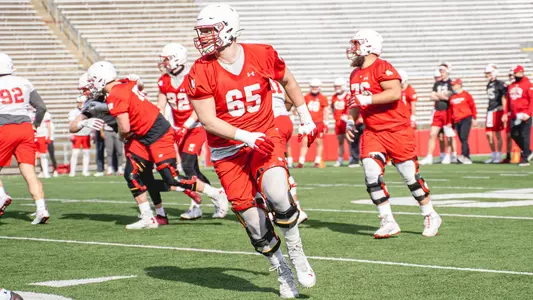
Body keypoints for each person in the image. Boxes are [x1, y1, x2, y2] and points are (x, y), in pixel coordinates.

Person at [185, 3, 316, 297]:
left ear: (228, 29)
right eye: (202, 32)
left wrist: (305, 118)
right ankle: (283, 271)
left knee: (279, 195)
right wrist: (244, 135)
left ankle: (297, 252)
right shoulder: (200, 70)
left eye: (209, 31)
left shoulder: (261, 54)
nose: (203, 37)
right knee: (256, 227)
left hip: (264, 137)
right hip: (228, 152)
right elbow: (208, 120)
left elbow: (288, 80)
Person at [345, 29, 442, 239]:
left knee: (410, 177)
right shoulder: (355, 73)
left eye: (356, 44)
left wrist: (367, 100)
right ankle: (387, 220)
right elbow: (354, 101)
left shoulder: (383, 67)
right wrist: (350, 120)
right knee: (371, 173)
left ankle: (430, 213)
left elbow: (394, 92)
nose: (352, 49)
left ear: (368, 46)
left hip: (396, 129)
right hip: (373, 131)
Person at [157, 43, 228, 220]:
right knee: (190, 168)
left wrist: (185, 126)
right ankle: (211, 198)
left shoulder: (192, 77)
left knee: (188, 165)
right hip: (178, 128)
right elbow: (161, 107)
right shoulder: (164, 80)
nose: (164, 63)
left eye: (166, 59)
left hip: (195, 126)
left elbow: (201, 108)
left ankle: (207, 200)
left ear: (176, 58)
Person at [0, 52, 50, 224]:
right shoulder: (24, 81)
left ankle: (1, 196)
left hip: (4, 127)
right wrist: (36, 125)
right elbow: (41, 107)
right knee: (29, 172)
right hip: (25, 128)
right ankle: (41, 209)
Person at [271, 79, 308, 224]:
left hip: (272, 122)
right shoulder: (274, 79)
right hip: (283, 120)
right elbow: (288, 100)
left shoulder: (254, 75)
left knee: (275, 168)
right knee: (276, 164)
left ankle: (296, 210)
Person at [420, 64, 457, 165]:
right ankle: (429, 156)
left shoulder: (451, 83)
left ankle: (448, 155)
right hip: (437, 111)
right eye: (440, 70)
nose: (441, 72)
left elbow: (448, 97)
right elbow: (431, 96)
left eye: (443, 70)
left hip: (447, 111)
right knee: (433, 134)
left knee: (448, 135)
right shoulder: (437, 84)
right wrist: (441, 95)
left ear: (448, 71)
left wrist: (438, 95)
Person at [504, 65, 533, 167]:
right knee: (514, 134)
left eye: (520, 73)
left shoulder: (527, 84)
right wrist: (505, 113)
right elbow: (508, 100)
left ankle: (524, 158)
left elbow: (532, 100)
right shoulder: (511, 85)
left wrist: (528, 114)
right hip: (514, 115)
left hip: (524, 113)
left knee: (525, 135)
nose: (518, 75)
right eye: (516, 73)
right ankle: (528, 151)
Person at [297, 79, 329, 168]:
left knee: (319, 142)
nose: (314, 88)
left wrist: (326, 123)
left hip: (319, 123)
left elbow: (326, 111)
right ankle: (301, 162)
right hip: (309, 123)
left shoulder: (323, 98)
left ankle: (317, 161)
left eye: (316, 87)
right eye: (313, 87)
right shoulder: (306, 97)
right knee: (305, 142)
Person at [449, 79, 477, 164]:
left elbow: (473, 106)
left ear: (459, 85)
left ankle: (465, 156)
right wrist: (451, 122)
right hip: (456, 120)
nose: (453, 86)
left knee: (464, 137)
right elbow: (450, 110)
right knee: (461, 138)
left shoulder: (466, 95)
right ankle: (467, 156)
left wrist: (474, 118)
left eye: (454, 85)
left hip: (466, 117)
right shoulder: (452, 97)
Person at [484, 64, 507, 164]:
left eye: (489, 73)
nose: (487, 75)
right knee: (488, 134)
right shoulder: (489, 84)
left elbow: (504, 97)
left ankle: (499, 154)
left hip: (497, 110)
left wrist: (504, 110)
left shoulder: (500, 84)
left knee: (497, 134)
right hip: (490, 110)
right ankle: (493, 154)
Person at [68, 96, 92, 177]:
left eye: (81, 102)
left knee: (86, 153)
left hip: (86, 134)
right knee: (75, 153)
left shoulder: (89, 111)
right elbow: (71, 123)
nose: (80, 104)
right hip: (77, 134)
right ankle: (72, 171)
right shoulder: (73, 112)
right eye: (78, 102)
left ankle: (85, 171)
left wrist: (93, 133)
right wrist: (71, 134)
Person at [331, 77, 350, 167]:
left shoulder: (348, 96)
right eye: (336, 86)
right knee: (340, 142)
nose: (337, 88)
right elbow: (332, 108)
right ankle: (340, 159)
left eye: (339, 86)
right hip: (338, 122)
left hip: (346, 122)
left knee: (350, 141)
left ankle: (352, 158)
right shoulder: (334, 97)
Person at [31, 109, 52, 178]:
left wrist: (49, 136)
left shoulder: (45, 114)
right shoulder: (29, 113)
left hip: (42, 135)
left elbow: (48, 125)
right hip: (33, 136)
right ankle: (32, 173)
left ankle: (45, 172)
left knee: (43, 155)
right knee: (33, 156)